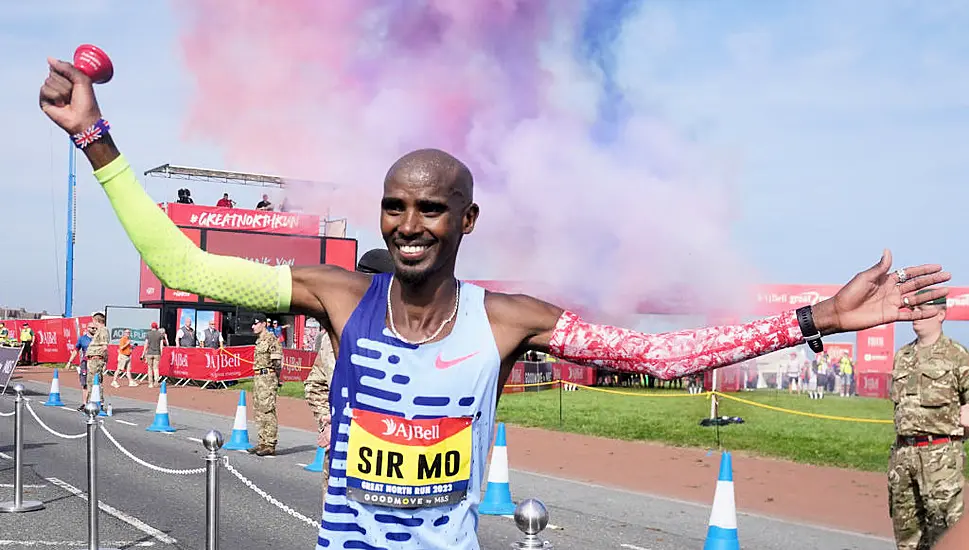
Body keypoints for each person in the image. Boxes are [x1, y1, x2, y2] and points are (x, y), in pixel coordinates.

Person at [39, 57, 953, 550]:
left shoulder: (509, 319)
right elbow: (180, 261)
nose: (408, 223)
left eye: (429, 207)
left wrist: (816, 321)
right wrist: (95, 136)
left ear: (465, 218)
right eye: (394, 205)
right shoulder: (334, 294)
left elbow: (659, 356)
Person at [304, 248, 394, 491]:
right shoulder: (334, 334)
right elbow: (315, 385)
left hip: (389, 462)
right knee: (334, 525)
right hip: (339, 455)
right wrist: (329, 423)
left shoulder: (410, 336)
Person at [887, 290, 969, 549]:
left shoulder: (957, 355)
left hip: (941, 456)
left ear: (942, 315)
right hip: (904, 455)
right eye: (914, 310)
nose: (916, 316)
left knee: (945, 535)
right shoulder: (902, 356)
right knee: (907, 539)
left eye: (925, 310)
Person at [250, 313, 283, 456]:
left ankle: (270, 443)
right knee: (259, 410)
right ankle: (262, 442)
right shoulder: (259, 341)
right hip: (258, 377)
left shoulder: (271, 339)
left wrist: (275, 378)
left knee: (268, 410)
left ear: (264, 324)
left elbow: (276, 361)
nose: (253, 326)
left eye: (256, 323)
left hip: (267, 377)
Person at [66, 323, 96, 409]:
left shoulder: (97, 339)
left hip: (95, 363)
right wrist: (70, 361)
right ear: (88, 328)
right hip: (85, 363)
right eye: (92, 328)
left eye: (95, 328)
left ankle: (94, 403)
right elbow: (76, 350)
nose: (94, 329)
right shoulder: (82, 339)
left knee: (94, 383)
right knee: (85, 383)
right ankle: (84, 403)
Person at [85, 312, 110, 405]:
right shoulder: (99, 331)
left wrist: (104, 360)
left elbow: (104, 346)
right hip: (93, 359)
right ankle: (92, 401)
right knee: (90, 381)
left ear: (97, 321)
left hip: (96, 359)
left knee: (95, 381)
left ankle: (98, 402)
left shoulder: (103, 330)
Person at [140, 322, 165, 388]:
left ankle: (150, 383)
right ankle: (156, 381)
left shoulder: (148, 334)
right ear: (157, 327)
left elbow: (146, 344)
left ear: (151, 327)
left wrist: (143, 353)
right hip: (157, 353)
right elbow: (161, 345)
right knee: (156, 368)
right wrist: (161, 352)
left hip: (149, 353)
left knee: (149, 368)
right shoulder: (160, 334)